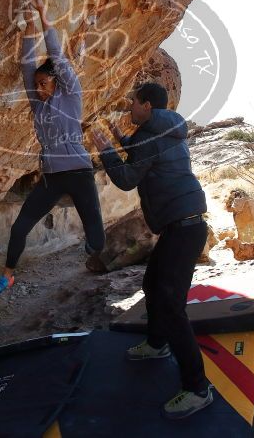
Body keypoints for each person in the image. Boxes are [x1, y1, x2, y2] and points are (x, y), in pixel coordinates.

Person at [92, 82, 213, 420]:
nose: (129, 106)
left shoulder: (151, 135)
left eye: (133, 102)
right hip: (184, 226)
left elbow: (127, 178)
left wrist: (107, 150)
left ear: (146, 106)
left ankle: (197, 389)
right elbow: (144, 153)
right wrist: (120, 138)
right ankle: (157, 344)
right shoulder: (167, 129)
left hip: (183, 229)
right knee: (151, 284)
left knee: (172, 306)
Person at [0, 0, 105, 300]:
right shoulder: (38, 106)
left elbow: (57, 56)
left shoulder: (71, 95)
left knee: (95, 233)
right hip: (52, 177)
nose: (39, 89)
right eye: (36, 85)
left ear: (56, 81)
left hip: (79, 173)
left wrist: (43, 15)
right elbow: (28, 66)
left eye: (44, 83)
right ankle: (8, 275)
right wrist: (28, 26)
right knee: (19, 228)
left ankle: (102, 268)